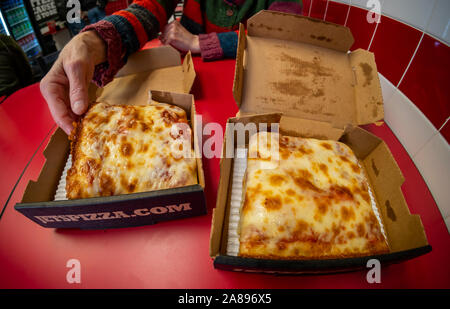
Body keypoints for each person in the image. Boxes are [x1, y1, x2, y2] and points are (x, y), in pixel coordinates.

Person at [40, 0, 303, 135]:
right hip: (195, 97)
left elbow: (280, 37)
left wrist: (199, 42)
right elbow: (149, 8)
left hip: (254, 97)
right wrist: (96, 40)